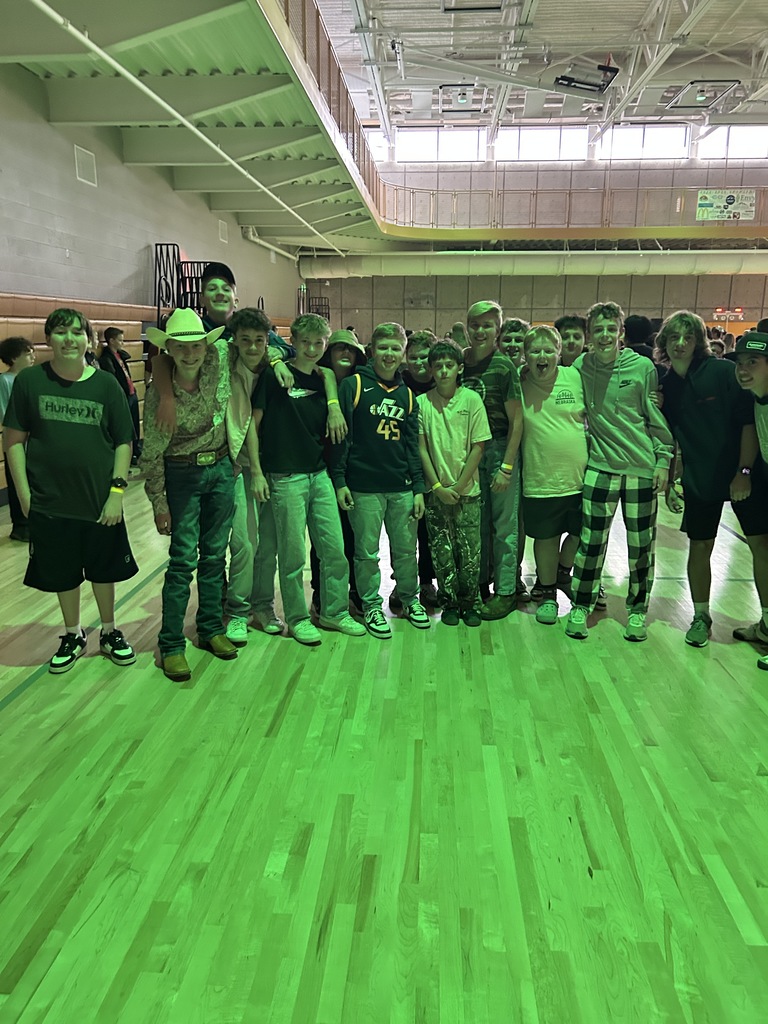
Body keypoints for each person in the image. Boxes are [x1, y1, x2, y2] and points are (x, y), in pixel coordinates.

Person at [3, 308, 138, 673]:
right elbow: (13, 440)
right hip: (51, 502)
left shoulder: (106, 385)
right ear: (48, 340)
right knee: (64, 573)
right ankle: (73, 633)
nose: (69, 339)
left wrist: (117, 493)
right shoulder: (30, 382)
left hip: (99, 501)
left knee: (104, 570)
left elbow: (123, 441)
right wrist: (25, 496)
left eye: (77, 332)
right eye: (60, 332)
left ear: (89, 341)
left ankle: (109, 631)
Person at [251, 314, 366, 646]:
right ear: (294, 342)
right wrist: (257, 471)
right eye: (306, 342)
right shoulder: (276, 376)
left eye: (319, 343)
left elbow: (330, 379)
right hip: (285, 477)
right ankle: (298, 618)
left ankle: (333, 611)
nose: (313, 348)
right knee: (292, 555)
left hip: (319, 475)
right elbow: (253, 427)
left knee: (334, 549)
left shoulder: (324, 376)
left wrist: (333, 407)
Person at [565, 301, 674, 643]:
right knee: (591, 542)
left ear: (621, 333)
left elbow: (653, 418)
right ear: (589, 335)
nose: (605, 335)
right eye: (598, 329)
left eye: (611, 329)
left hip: (641, 469)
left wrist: (663, 460)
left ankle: (638, 610)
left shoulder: (642, 367)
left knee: (641, 545)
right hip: (600, 467)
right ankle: (582, 604)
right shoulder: (581, 366)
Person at [657, 311, 765, 648]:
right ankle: (701, 616)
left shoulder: (723, 372)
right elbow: (672, 436)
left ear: (699, 341)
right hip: (700, 478)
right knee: (700, 546)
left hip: (743, 476)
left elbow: (748, 424)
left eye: (688, 337)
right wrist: (674, 481)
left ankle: (767, 623)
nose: (680, 344)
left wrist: (744, 472)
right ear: (664, 343)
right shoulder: (665, 385)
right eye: (673, 337)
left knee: (761, 546)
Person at [142, 309, 239, 682]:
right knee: (183, 560)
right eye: (180, 347)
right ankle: (170, 644)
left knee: (216, 556)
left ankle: (210, 628)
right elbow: (151, 453)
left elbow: (266, 344)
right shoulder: (156, 395)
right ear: (170, 350)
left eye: (196, 345)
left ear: (205, 346)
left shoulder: (218, 358)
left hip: (220, 469)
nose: (190, 353)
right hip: (181, 473)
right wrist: (159, 503)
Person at [332, 322, 429, 639]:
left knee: (405, 550)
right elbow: (341, 439)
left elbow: (412, 448)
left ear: (403, 354)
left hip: (401, 487)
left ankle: (409, 599)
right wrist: (340, 480)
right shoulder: (354, 386)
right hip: (363, 487)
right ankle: (371, 605)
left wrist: (417, 488)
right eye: (383, 347)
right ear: (372, 350)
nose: (389, 354)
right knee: (366, 553)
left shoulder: (408, 395)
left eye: (396, 349)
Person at [417, 341, 490, 625]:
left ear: (460, 368)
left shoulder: (471, 400)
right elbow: (422, 448)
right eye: (438, 367)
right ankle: (448, 602)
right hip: (437, 493)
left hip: (467, 492)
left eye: (449, 366)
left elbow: (478, 446)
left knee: (470, 551)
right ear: (431, 370)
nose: (444, 371)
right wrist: (437, 487)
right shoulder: (423, 403)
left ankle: (469, 603)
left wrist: (458, 488)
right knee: (441, 551)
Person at [519, 326, 587, 626]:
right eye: (535, 351)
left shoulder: (576, 377)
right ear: (526, 356)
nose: (542, 356)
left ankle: (563, 573)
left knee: (579, 534)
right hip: (540, 479)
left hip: (580, 479)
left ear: (559, 353)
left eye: (549, 350)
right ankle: (547, 593)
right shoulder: (518, 383)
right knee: (546, 538)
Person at [462, 300, 523, 619]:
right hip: (472, 450)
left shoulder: (504, 366)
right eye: (475, 325)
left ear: (497, 330)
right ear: (466, 327)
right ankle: (481, 584)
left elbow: (517, 421)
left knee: (504, 527)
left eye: (488, 325)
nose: (481, 330)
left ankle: (506, 591)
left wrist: (507, 466)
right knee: (478, 524)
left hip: (499, 448)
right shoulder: (462, 362)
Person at [309, 329, 368, 616]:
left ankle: (355, 592)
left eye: (350, 350)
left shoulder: (362, 384)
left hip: (354, 474)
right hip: (321, 471)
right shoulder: (314, 382)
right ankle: (321, 593)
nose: (345, 354)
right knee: (325, 538)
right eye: (338, 349)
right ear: (328, 353)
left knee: (354, 537)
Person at [395, 329, 438, 608]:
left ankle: (427, 583)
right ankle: (403, 583)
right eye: (414, 357)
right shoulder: (399, 382)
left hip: (437, 468)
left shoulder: (445, 382)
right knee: (404, 532)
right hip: (404, 468)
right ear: (405, 358)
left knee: (429, 533)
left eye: (425, 356)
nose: (420, 362)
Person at [733, 328, 768, 669]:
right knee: (762, 549)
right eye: (740, 362)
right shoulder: (755, 398)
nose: (744, 369)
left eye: (753, 362)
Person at [0, 336, 36, 541]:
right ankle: (20, 527)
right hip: (16, 442)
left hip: (33, 441)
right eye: (27, 353)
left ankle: (33, 521)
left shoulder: (31, 379)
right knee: (16, 483)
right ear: (14, 358)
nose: (32, 356)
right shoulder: (4, 381)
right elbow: (5, 414)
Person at [99, 326, 142, 464]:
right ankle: (128, 456)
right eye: (120, 341)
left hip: (131, 394)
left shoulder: (120, 355)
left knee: (135, 424)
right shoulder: (107, 359)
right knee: (126, 428)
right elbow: (113, 380)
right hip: (123, 396)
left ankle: (136, 451)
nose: (122, 343)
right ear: (111, 341)